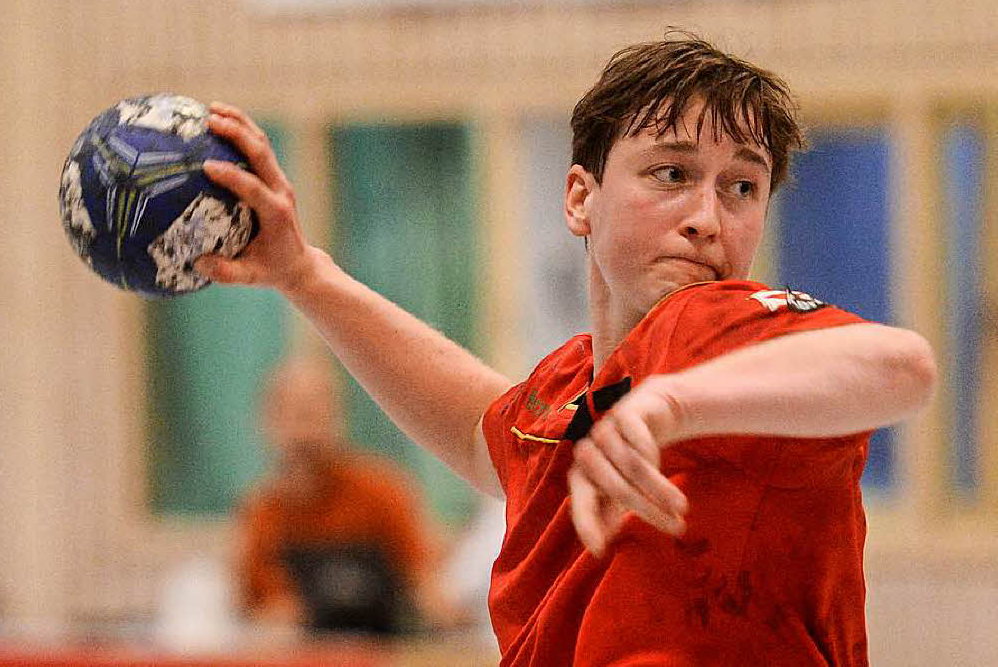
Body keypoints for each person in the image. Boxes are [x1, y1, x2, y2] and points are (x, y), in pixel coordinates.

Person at [196, 34, 936, 665]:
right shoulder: (568, 382)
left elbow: (899, 366)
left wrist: (676, 403)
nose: (708, 218)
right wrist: (305, 276)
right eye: (672, 175)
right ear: (581, 198)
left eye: (742, 187)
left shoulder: (722, 327)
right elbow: (482, 430)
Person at [236, 357, 459, 636]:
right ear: (267, 421)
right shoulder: (264, 514)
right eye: (293, 413)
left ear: (338, 416)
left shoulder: (381, 492)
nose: (304, 430)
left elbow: (426, 585)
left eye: (315, 412)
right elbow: (262, 610)